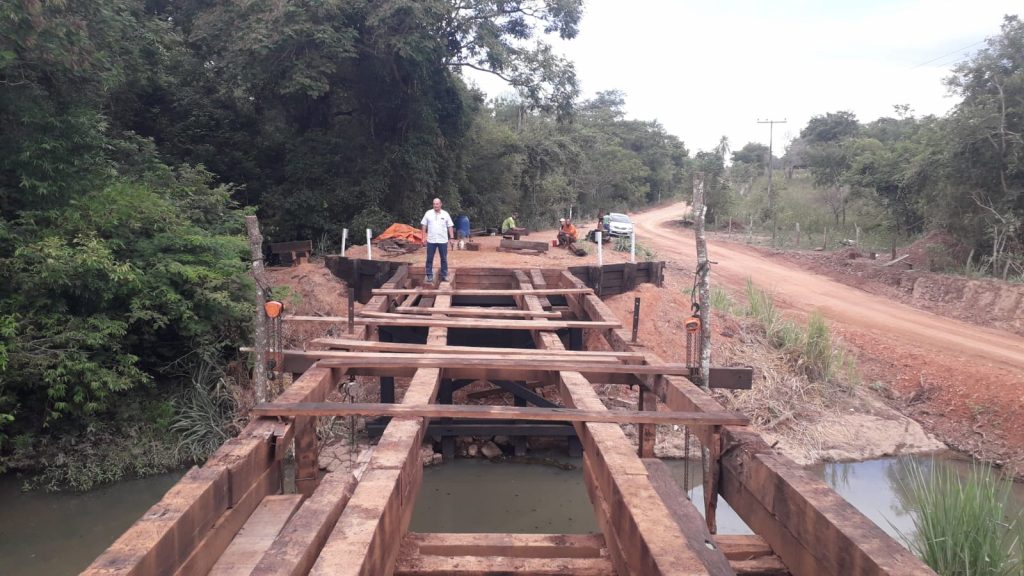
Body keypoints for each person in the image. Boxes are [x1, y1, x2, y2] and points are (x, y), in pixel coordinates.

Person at [420, 197, 454, 283]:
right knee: (429, 258)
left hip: (443, 240)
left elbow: (450, 226)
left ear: (440, 204)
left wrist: (452, 238)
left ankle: (444, 275)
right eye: (434, 204)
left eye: (437, 204)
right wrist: (423, 237)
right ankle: (429, 275)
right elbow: (424, 225)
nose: (435, 205)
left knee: (443, 259)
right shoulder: (428, 213)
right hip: (431, 240)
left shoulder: (445, 214)